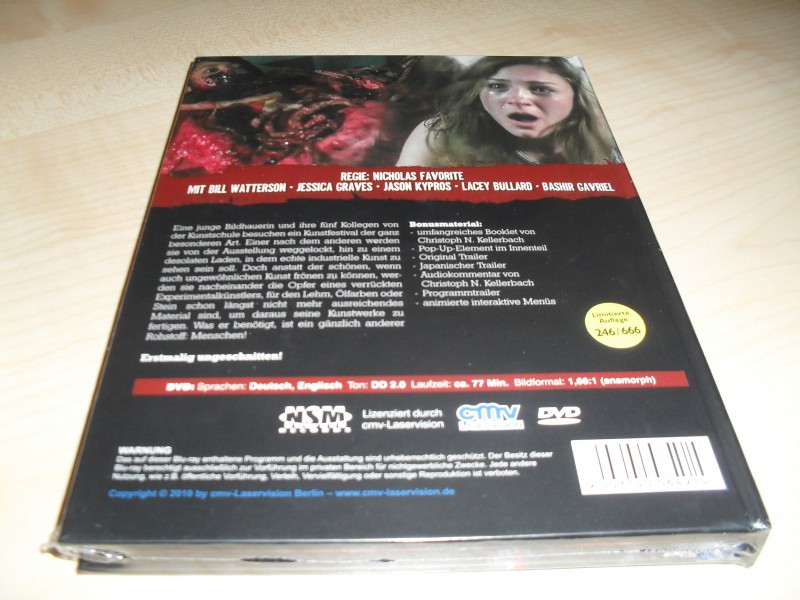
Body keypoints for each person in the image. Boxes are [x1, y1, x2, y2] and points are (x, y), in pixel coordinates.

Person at [395, 56, 619, 166]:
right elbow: (401, 205)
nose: (517, 100)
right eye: (498, 86)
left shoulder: (603, 128)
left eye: (540, 88)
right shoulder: (440, 134)